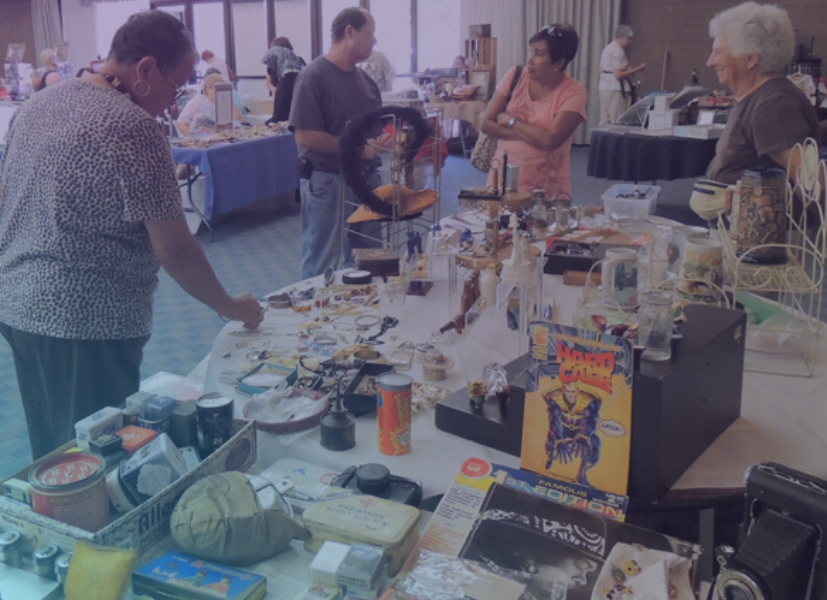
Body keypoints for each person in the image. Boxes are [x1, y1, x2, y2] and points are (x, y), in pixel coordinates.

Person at [0, 10, 263, 459]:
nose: (174, 102)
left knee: (55, 449)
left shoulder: (40, 104)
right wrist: (229, 306)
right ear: (145, 69)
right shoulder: (134, 127)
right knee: (96, 454)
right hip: (85, 320)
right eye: (176, 86)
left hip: (19, 302)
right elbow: (174, 250)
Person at [690, 1, 819, 221]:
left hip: (764, 236)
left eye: (718, 52)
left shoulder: (772, 105)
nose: (710, 62)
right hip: (741, 229)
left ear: (750, 59)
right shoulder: (756, 96)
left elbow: (811, 184)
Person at [289, 7, 392, 280]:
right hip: (328, 180)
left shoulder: (367, 82)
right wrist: (358, 148)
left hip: (366, 178)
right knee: (322, 262)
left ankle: (364, 305)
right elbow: (305, 136)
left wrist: (383, 141)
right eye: (370, 33)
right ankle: (316, 308)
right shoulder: (313, 76)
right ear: (350, 32)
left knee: (370, 256)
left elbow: (374, 132)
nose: (375, 40)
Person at [478, 24, 588, 199]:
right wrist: (534, 136)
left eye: (538, 54)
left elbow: (550, 141)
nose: (530, 59)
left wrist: (510, 121)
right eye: (531, 51)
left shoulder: (574, 92)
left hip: (545, 190)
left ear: (559, 63)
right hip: (502, 181)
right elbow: (486, 124)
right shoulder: (515, 75)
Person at [598, 25, 646, 125]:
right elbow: (618, 75)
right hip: (615, 88)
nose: (629, 41)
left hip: (604, 87)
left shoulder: (607, 49)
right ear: (622, 37)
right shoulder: (618, 51)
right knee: (617, 119)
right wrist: (638, 69)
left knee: (605, 119)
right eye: (628, 39)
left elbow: (602, 70)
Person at [176, 73, 243, 136]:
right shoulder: (198, 100)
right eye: (218, 88)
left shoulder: (224, 103)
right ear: (208, 88)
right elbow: (180, 122)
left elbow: (240, 121)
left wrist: (229, 101)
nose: (220, 91)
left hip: (219, 139)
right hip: (197, 138)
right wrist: (191, 137)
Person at [261, 37, 306, 124]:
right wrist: (274, 89)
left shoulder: (299, 61)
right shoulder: (273, 64)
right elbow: (268, 82)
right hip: (282, 92)